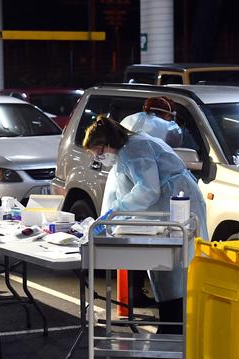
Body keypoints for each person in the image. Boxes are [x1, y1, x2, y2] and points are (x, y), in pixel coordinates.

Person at [83, 115, 208, 335]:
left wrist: (116, 212)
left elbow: (147, 191)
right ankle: (170, 327)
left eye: (99, 153)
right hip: (168, 209)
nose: (100, 158)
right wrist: (116, 215)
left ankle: (175, 331)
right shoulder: (129, 149)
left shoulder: (135, 150)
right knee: (165, 272)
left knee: (178, 270)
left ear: (107, 143)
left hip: (179, 206)